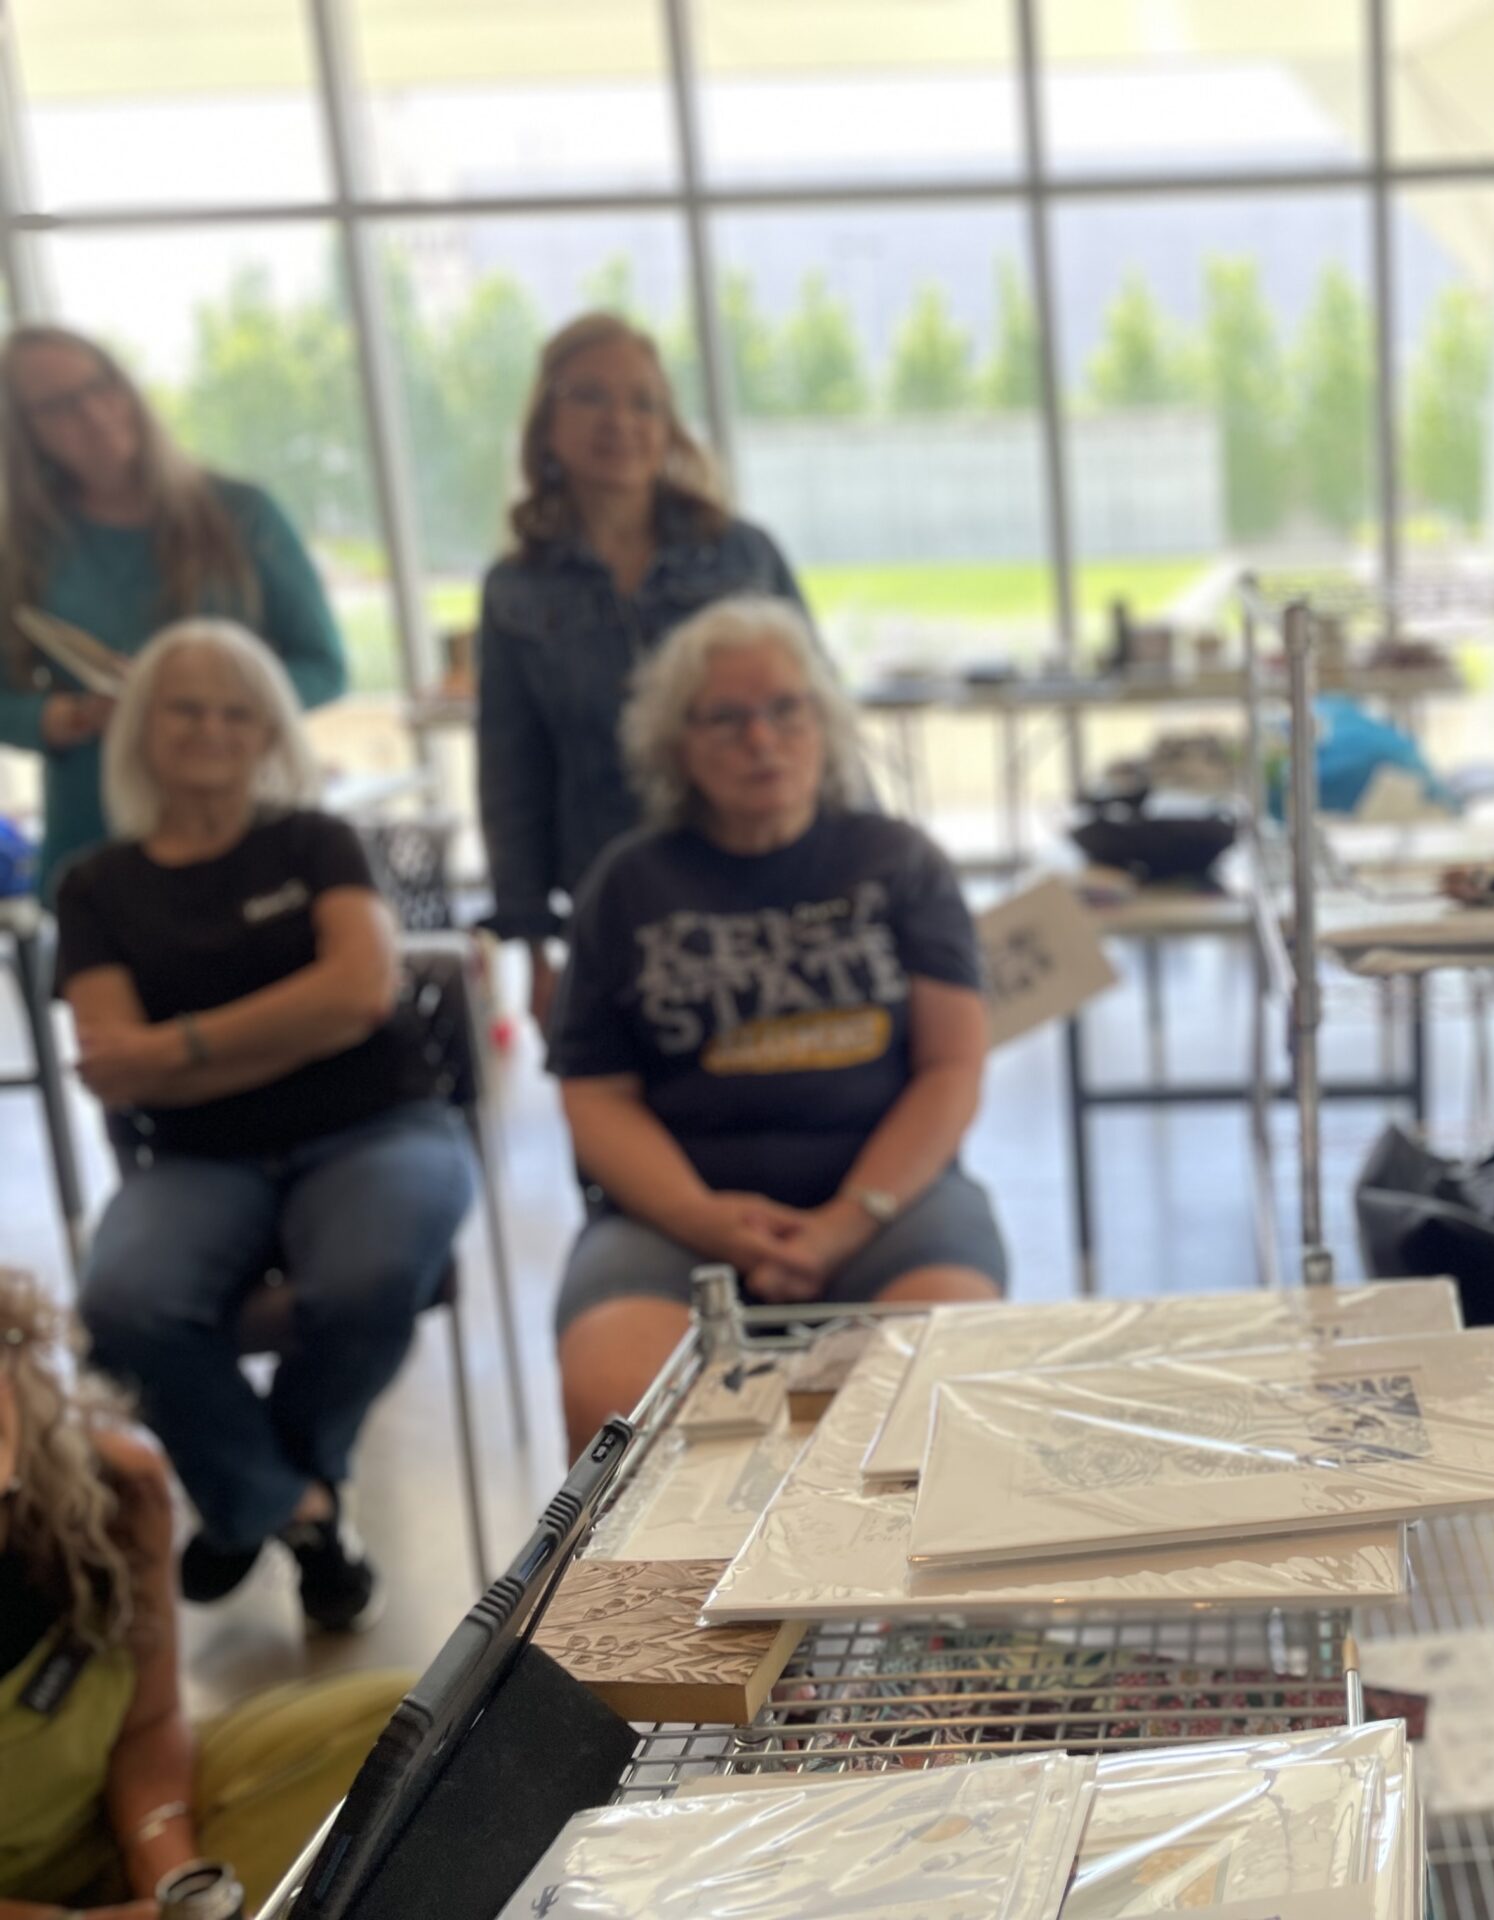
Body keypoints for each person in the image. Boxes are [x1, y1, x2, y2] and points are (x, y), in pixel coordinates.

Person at [55, 622, 476, 1634]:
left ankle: (258, 1499)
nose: (210, 729)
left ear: (269, 731)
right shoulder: (95, 885)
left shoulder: (316, 840)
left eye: (236, 711)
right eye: (185, 708)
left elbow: (364, 991)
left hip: (380, 1125)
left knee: (369, 1277)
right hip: (196, 1155)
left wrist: (180, 1045)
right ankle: (300, 1509)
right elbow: (115, 1063)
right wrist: (299, 1018)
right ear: (142, 730)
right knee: (122, 1305)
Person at [549, 595, 1001, 1447]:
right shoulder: (628, 884)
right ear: (676, 746)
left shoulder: (899, 862)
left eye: (785, 709)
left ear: (823, 718)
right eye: (726, 719)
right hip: (670, 1216)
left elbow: (954, 1066)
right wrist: (702, 1219)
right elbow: (595, 1095)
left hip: (889, 1200)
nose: (762, 740)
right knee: (615, 1406)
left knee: (931, 1392)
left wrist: (845, 1221)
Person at [0, 1268, 411, 1916]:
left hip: (108, 1828)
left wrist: (176, 1884)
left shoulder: (117, 1487)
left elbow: (149, 1725)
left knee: (412, 1742)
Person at [478, 313, 807, 1028]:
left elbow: (816, 720)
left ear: (669, 427)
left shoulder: (743, 555)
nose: (619, 421)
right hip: (611, 907)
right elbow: (512, 778)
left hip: (763, 891)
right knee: (627, 1114)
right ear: (547, 425)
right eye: (590, 396)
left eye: (643, 402)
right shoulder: (515, 588)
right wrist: (534, 950)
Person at [0, 324, 347, 898]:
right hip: (98, 825)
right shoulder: (23, 551)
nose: (92, 415)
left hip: (245, 821)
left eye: (100, 387)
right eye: (59, 407)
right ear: (24, 430)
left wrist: (225, 711)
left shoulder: (241, 514)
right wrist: (64, 718)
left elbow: (324, 666)